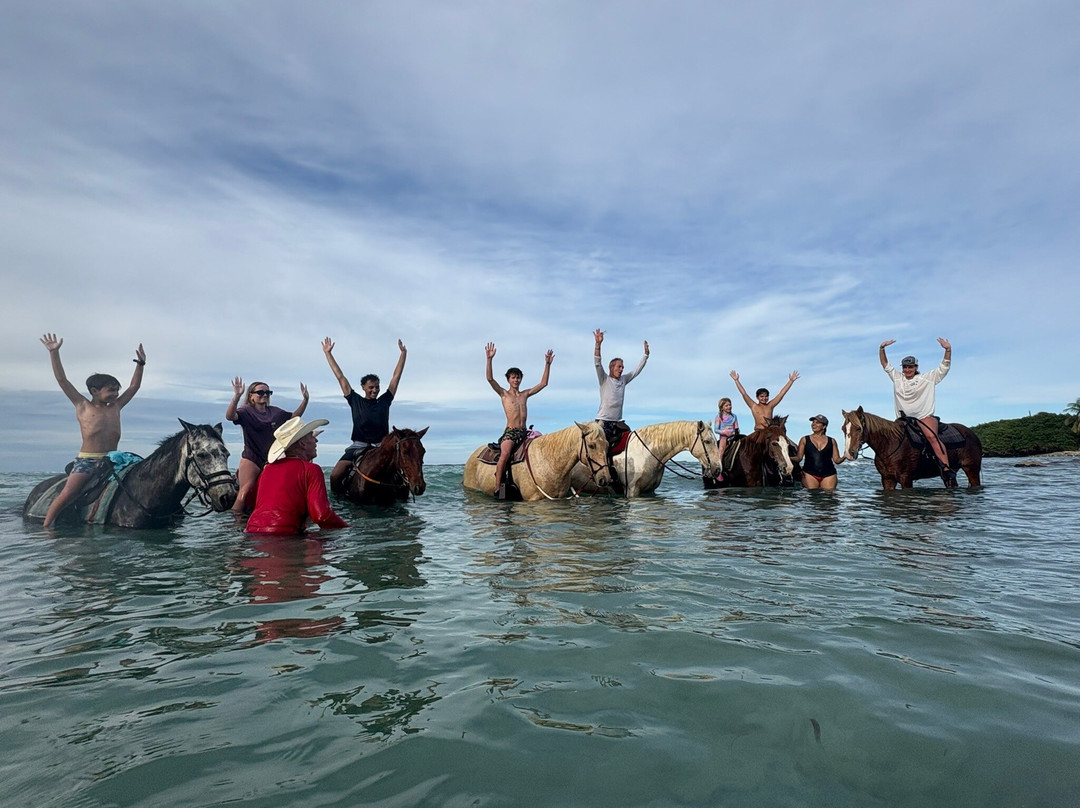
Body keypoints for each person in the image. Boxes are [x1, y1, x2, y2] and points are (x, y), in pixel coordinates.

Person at [39, 333, 145, 527]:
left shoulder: (116, 407)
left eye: (116, 390)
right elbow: (62, 380)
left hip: (114, 459)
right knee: (69, 493)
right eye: (110, 390)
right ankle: (47, 526)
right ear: (95, 391)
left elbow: (134, 386)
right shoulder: (83, 406)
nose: (115, 394)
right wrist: (54, 353)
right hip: (88, 460)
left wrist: (140, 365)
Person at [322, 337, 407, 492]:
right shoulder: (355, 400)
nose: (374, 390)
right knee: (335, 475)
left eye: (377, 387)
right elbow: (340, 376)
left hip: (381, 446)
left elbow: (396, 378)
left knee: (402, 476)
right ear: (363, 387)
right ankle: (338, 504)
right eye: (371, 387)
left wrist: (403, 354)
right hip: (358, 446)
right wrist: (328, 353)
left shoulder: (385, 401)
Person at [246, 417, 348, 535]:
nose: (316, 441)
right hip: (285, 535)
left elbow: (251, 500)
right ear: (302, 443)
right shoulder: (311, 469)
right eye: (311, 436)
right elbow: (321, 515)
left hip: (251, 531)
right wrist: (346, 529)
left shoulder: (267, 469)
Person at [226, 378, 309, 513]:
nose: (264, 395)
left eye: (268, 392)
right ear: (251, 396)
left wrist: (305, 401)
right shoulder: (246, 411)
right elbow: (230, 416)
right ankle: (235, 520)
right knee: (245, 490)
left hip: (272, 458)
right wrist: (236, 397)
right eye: (260, 392)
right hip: (252, 458)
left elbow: (294, 417)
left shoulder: (274, 412)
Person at [880, 337, 954, 481]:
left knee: (932, 437)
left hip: (923, 416)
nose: (907, 370)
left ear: (916, 367)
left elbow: (944, 367)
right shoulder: (897, 378)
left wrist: (947, 350)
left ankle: (946, 467)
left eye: (911, 367)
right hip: (902, 419)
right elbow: (885, 364)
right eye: (905, 367)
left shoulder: (927, 378)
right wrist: (881, 348)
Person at [485, 342, 553, 499]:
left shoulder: (525, 394)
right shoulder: (503, 394)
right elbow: (490, 379)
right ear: (508, 379)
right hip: (511, 432)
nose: (516, 380)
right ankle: (498, 486)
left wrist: (547, 364)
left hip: (525, 432)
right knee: (506, 453)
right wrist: (489, 360)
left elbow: (544, 383)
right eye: (513, 377)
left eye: (518, 377)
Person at [593, 329, 649, 446]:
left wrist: (645, 356)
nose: (621, 369)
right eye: (619, 367)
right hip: (603, 421)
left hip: (617, 423)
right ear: (612, 367)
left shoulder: (623, 379)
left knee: (631, 443)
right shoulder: (604, 379)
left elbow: (636, 371)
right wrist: (598, 344)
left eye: (622, 367)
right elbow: (597, 363)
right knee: (602, 449)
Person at [730, 369, 799, 430]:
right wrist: (736, 380)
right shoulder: (753, 406)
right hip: (758, 431)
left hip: (769, 431)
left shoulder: (770, 405)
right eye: (761, 396)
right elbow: (744, 393)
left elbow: (782, 393)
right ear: (757, 397)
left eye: (766, 396)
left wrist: (791, 381)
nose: (764, 398)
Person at [793, 414, 845, 490]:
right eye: (813, 422)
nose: (814, 424)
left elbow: (837, 460)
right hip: (809, 474)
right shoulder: (804, 439)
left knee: (828, 498)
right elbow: (799, 458)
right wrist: (786, 457)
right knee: (812, 496)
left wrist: (845, 456)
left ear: (824, 426)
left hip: (829, 474)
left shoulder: (832, 441)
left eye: (817, 422)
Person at [712, 397, 739, 481]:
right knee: (722, 449)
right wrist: (724, 432)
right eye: (726, 405)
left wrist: (735, 433)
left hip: (733, 434)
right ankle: (718, 470)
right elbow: (716, 430)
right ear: (722, 407)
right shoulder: (719, 417)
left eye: (730, 405)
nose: (729, 407)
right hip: (724, 435)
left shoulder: (734, 416)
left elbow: (736, 428)